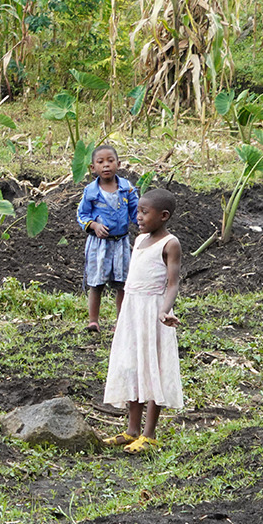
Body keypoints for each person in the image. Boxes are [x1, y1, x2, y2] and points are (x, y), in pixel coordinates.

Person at [102, 189, 184, 453]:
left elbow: (172, 284)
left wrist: (165, 310)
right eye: (137, 211)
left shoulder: (170, 244)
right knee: (132, 366)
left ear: (163, 216)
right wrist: (123, 314)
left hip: (153, 313)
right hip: (133, 311)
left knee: (152, 369)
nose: (138, 217)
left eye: (144, 212)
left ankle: (149, 435)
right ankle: (131, 430)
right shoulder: (139, 240)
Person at [77, 144, 140, 334]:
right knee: (96, 283)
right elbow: (82, 215)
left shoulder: (126, 189)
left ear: (118, 164)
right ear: (93, 168)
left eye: (110, 161)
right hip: (99, 245)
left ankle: (120, 322)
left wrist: (145, 227)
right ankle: (93, 321)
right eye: (100, 162)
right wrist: (94, 226)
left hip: (121, 243)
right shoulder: (91, 191)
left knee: (122, 283)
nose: (106, 165)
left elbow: (137, 212)